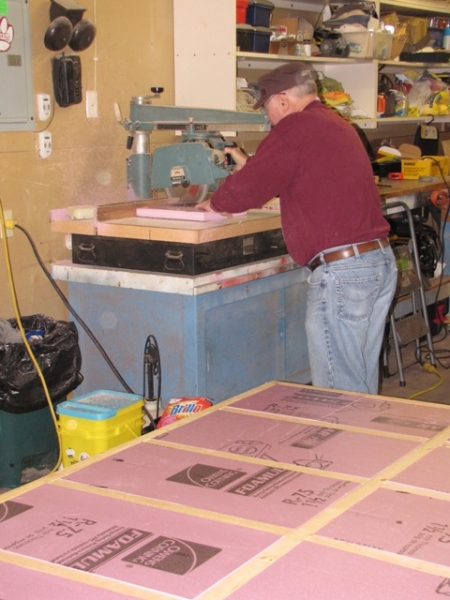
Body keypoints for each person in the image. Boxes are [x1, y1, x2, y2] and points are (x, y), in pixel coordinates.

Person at [197, 62, 398, 395]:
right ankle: (362, 444)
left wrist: (215, 204)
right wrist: (252, 169)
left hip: (344, 274)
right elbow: (295, 176)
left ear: (283, 100)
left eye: (268, 109)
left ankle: (342, 446)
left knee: (338, 391)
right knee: (358, 381)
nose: (269, 117)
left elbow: (248, 190)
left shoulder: (295, 127)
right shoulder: (333, 123)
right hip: (374, 263)